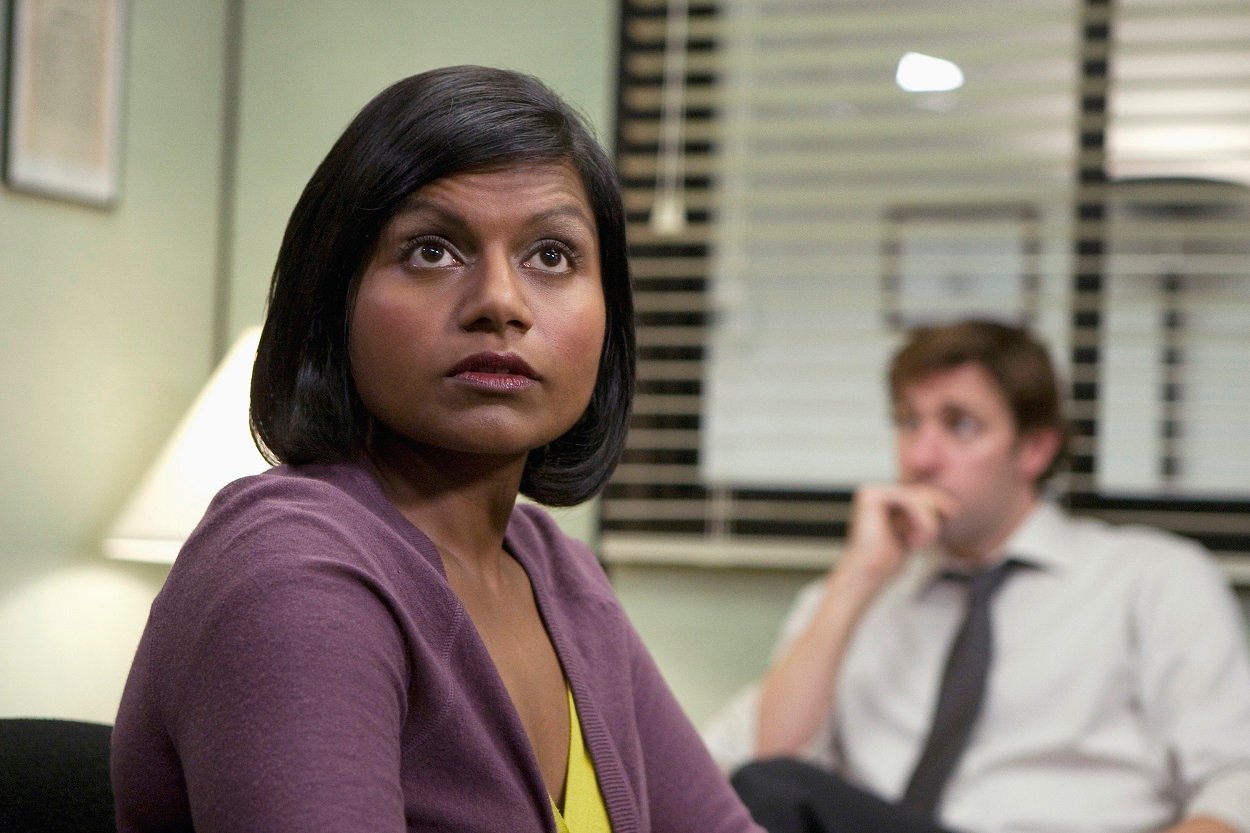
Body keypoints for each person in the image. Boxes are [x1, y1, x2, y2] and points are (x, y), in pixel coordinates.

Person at [111, 65, 763, 833]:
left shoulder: (556, 572)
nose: (500, 302)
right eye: (431, 250)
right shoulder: (291, 572)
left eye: (551, 255)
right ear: (334, 295)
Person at [703, 319, 1250, 833]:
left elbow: (1235, 780)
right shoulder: (856, 593)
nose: (921, 456)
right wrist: (856, 581)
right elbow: (750, 768)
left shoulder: (1150, 579)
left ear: (1035, 448)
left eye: (960, 426)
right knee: (767, 784)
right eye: (909, 422)